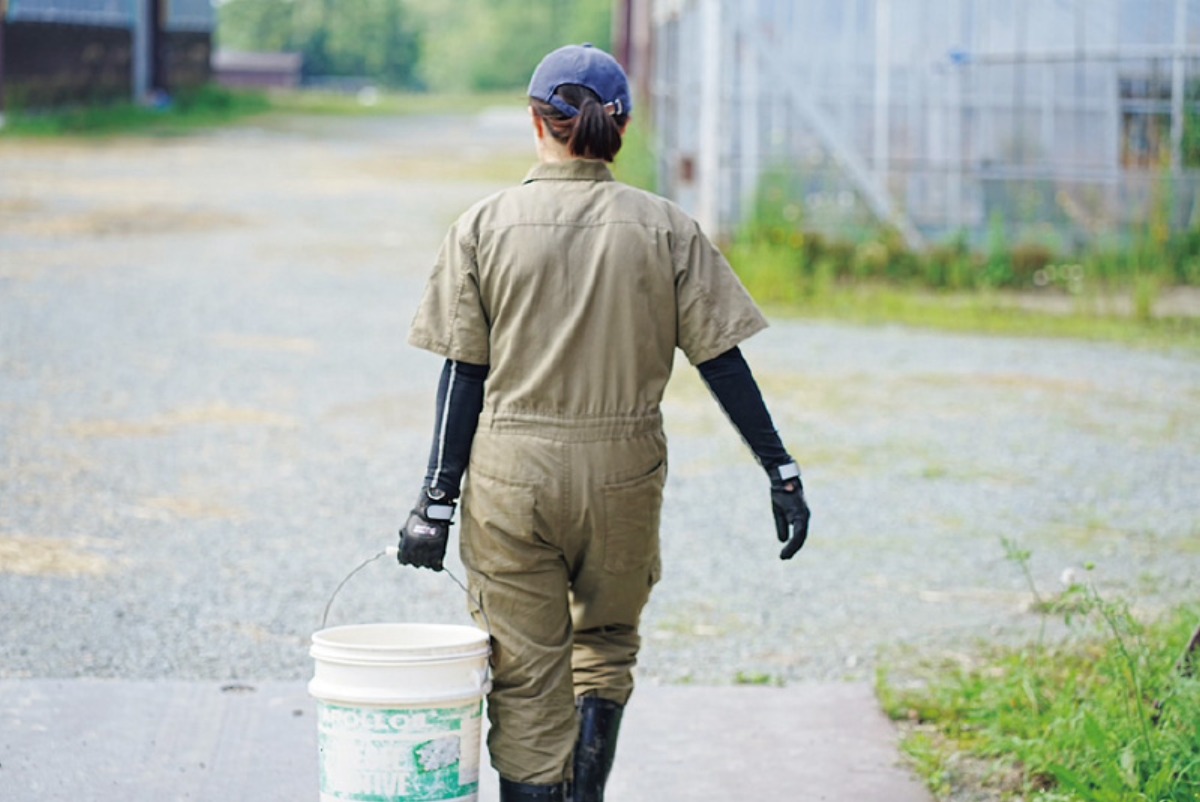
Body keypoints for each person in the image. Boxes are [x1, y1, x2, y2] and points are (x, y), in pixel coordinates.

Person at [398, 43, 810, 802]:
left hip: (512, 477)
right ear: (619, 128)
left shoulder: (484, 226)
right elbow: (721, 360)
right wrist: (780, 470)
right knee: (606, 646)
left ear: (536, 121)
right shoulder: (665, 227)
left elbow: (463, 373)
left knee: (525, 678)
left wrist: (435, 502)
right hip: (624, 476)